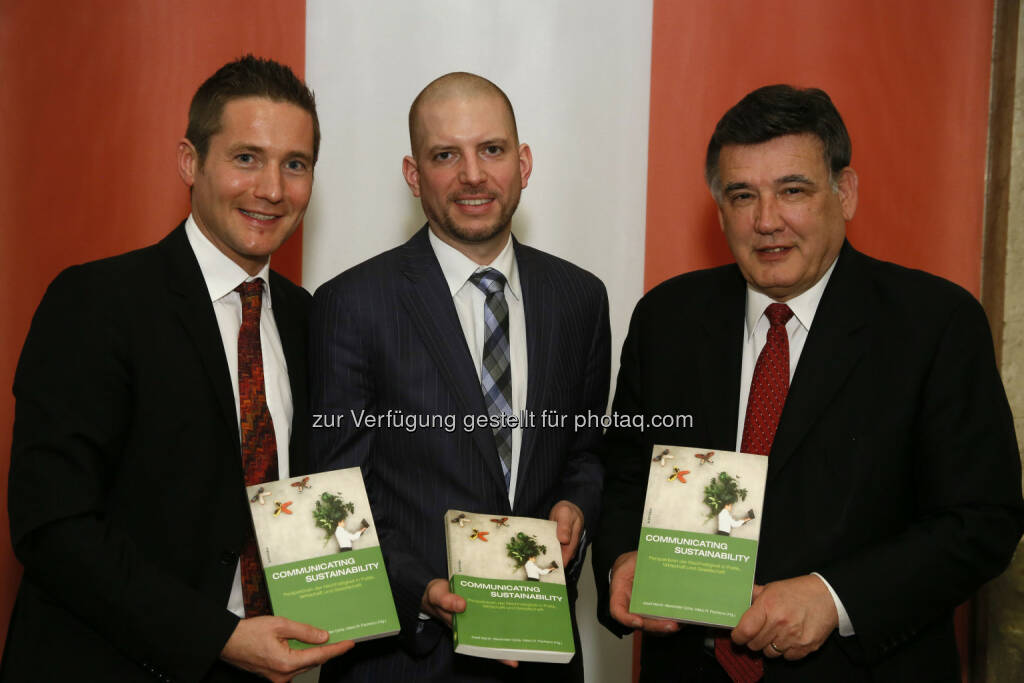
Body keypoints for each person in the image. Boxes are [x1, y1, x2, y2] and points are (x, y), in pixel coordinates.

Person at [593, 84, 1024, 682]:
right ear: (719, 210)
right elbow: (623, 474)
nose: (766, 221)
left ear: (845, 193)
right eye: (743, 195)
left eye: (792, 190)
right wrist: (622, 558)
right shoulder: (666, 318)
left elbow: (982, 520)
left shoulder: (934, 323)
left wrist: (834, 598)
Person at [1, 56, 353, 682]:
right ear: (190, 162)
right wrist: (218, 637)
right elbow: (53, 525)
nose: (272, 189)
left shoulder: (311, 319)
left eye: (295, 164)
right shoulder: (97, 303)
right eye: (246, 158)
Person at [310, 72, 610, 682]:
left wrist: (576, 506)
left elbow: (585, 451)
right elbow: (333, 493)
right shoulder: (352, 304)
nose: (473, 175)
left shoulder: (580, 298)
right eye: (445, 155)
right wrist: (418, 589)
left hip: (541, 657)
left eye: (491, 150)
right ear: (413, 174)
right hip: (403, 661)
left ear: (523, 163)